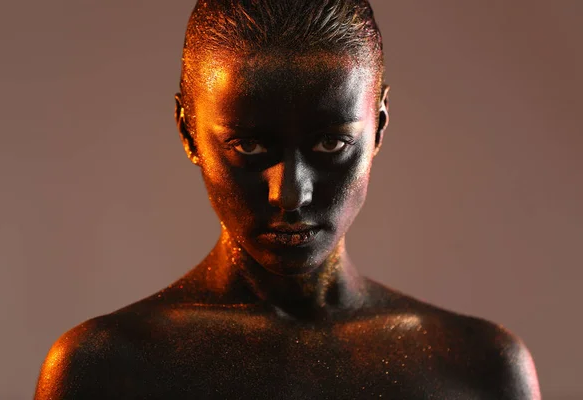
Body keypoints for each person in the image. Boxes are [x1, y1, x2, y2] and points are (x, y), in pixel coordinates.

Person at [34, 0, 541, 398]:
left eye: (330, 144)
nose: (290, 194)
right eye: (249, 147)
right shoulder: (103, 372)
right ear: (189, 132)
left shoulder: (481, 370)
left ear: (379, 126)